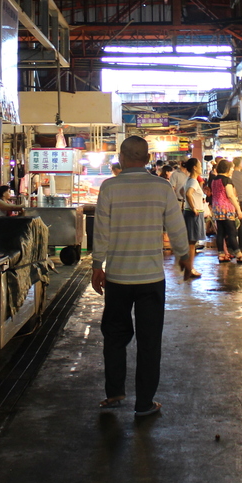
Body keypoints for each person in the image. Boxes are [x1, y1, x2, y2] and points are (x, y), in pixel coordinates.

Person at [92, 135, 195, 418]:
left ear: (121, 158)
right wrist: (184, 256)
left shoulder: (109, 187)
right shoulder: (161, 187)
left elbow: (100, 230)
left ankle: (115, 391)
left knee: (114, 336)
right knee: (150, 341)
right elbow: (175, 226)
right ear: (148, 159)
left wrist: (97, 265)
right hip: (151, 279)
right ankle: (144, 403)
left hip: (118, 278)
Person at [208, 160, 242, 262]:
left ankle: (221, 254)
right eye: (232, 168)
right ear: (227, 169)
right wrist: (238, 209)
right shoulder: (227, 180)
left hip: (217, 209)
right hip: (226, 209)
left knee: (220, 233)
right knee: (232, 232)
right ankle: (239, 255)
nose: (232, 170)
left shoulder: (214, 179)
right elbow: (230, 195)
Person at [179, 158, 207, 256]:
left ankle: (189, 263)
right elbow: (188, 193)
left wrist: (191, 201)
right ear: (195, 168)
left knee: (191, 241)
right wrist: (193, 207)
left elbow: (182, 191)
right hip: (193, 213)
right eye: (200, 166)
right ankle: (189, 264)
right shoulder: (194, 181)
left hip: (189, 212)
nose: (201, 168)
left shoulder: (189, 180)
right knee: (192, 241)